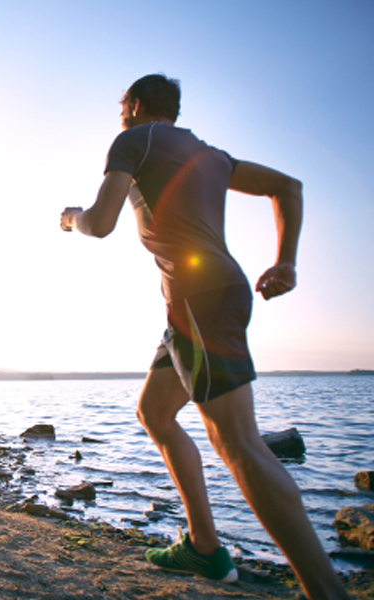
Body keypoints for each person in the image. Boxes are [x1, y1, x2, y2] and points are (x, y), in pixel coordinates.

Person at [60, 75, 349, 600]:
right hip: (191, 305)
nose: (119, 113)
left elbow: (101, 224)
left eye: (121, 105)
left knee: (238, 441)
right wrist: (287, 262)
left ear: (138, 105)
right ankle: (205, 547)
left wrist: (71, 218)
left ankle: (327, 591)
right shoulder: (211, 154)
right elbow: (289, 187)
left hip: (202, 299)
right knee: (154, 411)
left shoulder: (135, 139)